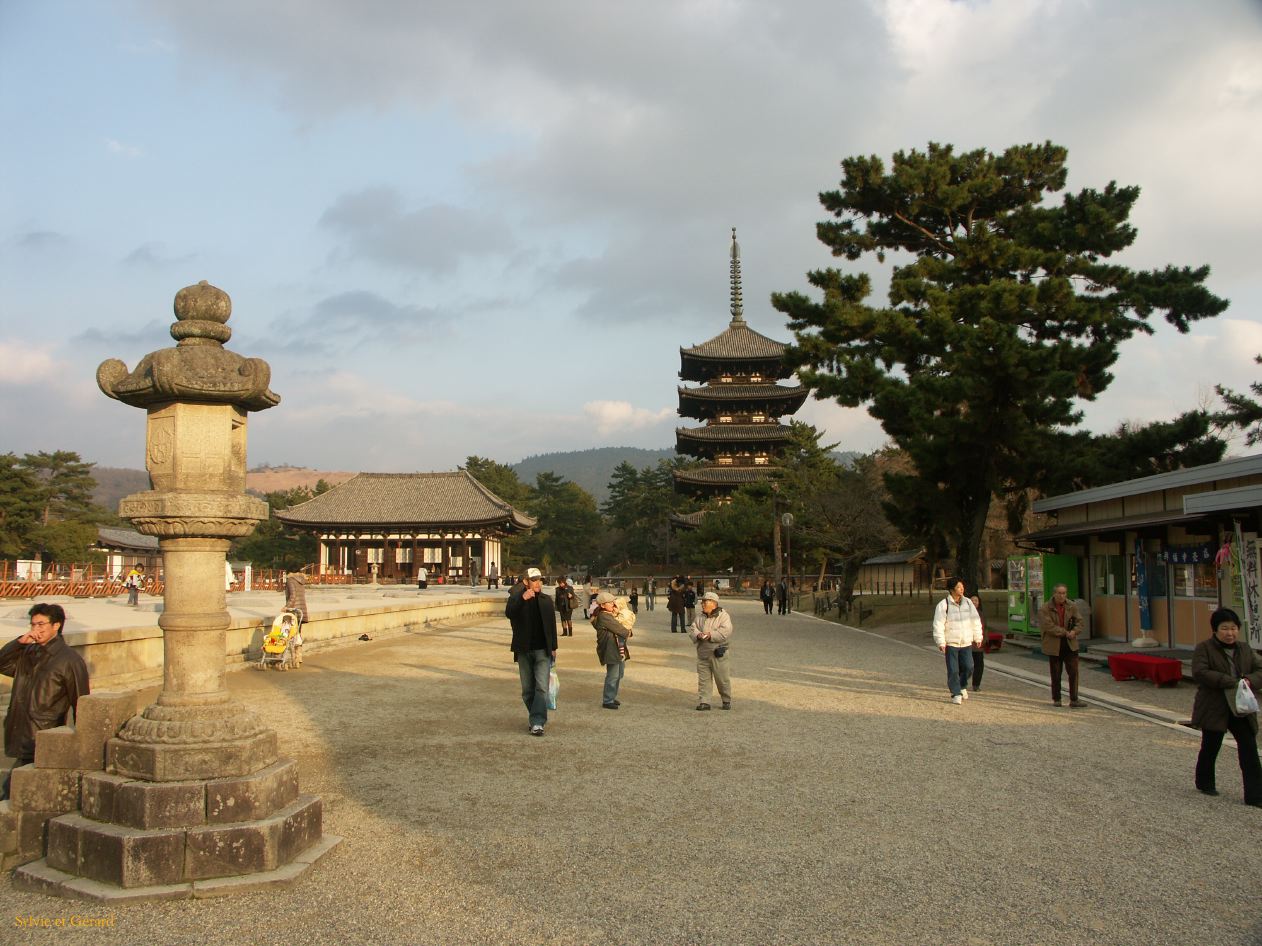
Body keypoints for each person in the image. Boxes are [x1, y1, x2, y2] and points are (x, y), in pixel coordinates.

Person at [0, 603, 90, 800]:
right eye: (33, 625)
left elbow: (81, 703)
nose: (35, 630)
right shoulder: (28, 652)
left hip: (42, 734)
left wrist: (80, 742)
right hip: (20, 730)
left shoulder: (70, 660)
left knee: (14, 791)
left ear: (56, 626)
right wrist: (18, 643)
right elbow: (2, 663)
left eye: (41, 625)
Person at [1192, 607, 1262, 807]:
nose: (1229, 633)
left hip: (1240, 706)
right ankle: (1205, 782)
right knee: (1211, 745)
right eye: (1224, 628)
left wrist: (1249, 680)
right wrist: (1228, 681)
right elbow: (1200, 671)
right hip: (1215, 705)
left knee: (1249, 748)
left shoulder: (1245, 648)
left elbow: (1260, 669)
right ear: (1215, 630)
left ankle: (1256, 795)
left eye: (1233, 628)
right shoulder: (1204, 648)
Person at [505, 567, 558, 737]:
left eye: (539, 580)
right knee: (527, 690)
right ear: (526, 582)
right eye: (534, 580)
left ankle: (537, 722)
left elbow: (551, 625)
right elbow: (509, 613)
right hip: (523, 649)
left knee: (541, 687)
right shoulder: (516, 599)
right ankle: (535, 716)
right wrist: (521, 599)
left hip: (542, 649)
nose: (538, 583)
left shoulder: (546, 600)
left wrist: (554, 647)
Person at [931, 578, 983, 705]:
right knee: (953, 669)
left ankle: (962, 685)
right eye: (959, 587)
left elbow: (975, 621)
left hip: (966, 642)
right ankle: (956, 692)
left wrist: (978, 637)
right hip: (951, 642)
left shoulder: (968, 603)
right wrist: (940, 642)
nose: (962, 589)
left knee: (969, 667)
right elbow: (938, 624)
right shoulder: (944, 605)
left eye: (962, 587)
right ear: (952, 589)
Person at [1038, 583, 1085, 707]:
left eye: (1064, 593)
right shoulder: (1045, 608)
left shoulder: (1071, 605)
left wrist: (1074, 631)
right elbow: (1048, 626)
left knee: (1074, 672)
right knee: (1056, 673)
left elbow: (1080, 621)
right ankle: (1057, 698)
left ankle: (1074, 699)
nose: (1062, 595)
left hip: (1070, 644)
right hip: (1054, 644)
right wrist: (1065, 632)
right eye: (1059, 593)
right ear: (1054, 594)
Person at [689, 591, 732, 711]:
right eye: (702, 602)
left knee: (722, 679)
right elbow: (693, 629)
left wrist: (710, 635)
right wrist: (698, 635)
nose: (702, 604)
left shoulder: (723, 616)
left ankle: (726, 699)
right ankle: (704, 701)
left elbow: (726, 632)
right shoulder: (700, 617)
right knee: (704, 679)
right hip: (703, 652)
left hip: (718, 653)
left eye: (705, 601)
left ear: (713, 603)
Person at [591, 591, 631, 709]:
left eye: (613, 602)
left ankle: (611, 696)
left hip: (617, 647)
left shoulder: (609, 614)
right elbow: (622, 630)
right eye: (610, 603)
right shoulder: (604, 616)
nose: (613, 604)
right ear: (602, 605)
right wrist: (627, 631)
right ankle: (608, 700)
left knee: (619, 673)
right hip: (611, 648)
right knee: (613, 675)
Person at [284, 571, 308, 668]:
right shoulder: (301, 581)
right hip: (301, 610)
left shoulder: (290, 580)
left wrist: (286, 607)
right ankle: (299, 656)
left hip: (294, 611)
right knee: (298, 634)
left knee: (291, 634)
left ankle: (293, 656)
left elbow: (292, 596)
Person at [970, 593, 986, 692]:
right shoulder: (964, 613)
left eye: (976, 600)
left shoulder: (981, 613)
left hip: (978, 643)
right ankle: (961, 681)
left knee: (979, 665)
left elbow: (985, 627)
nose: (974, 602)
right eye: (972, 600)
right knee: (966, 665)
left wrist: (985, 638)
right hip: (967, 643)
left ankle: (976, 684)